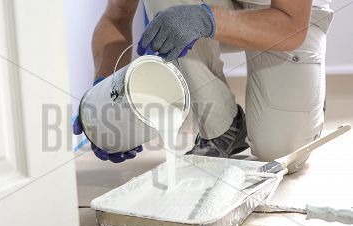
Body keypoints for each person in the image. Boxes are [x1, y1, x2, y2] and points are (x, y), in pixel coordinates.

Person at [74, 0, 333, 173]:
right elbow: (116, 16)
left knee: (281, 150)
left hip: (283, 15)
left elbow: (291, 24)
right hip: (210, 5)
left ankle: (310, 99)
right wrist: (105, 91)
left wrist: (205, 20)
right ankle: (221, 127)